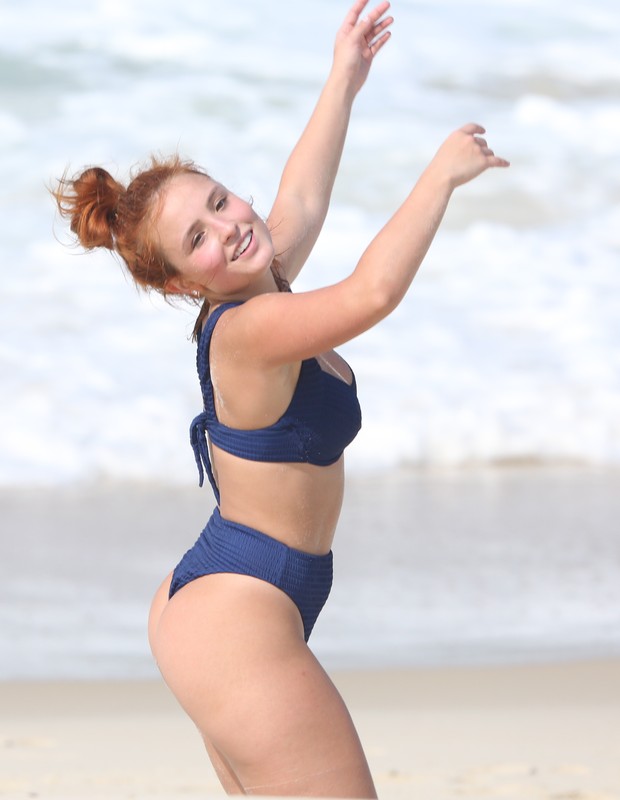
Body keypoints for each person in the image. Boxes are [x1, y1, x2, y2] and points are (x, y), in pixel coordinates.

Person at [52, 0, 509, 795]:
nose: (227, 228)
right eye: (197, 237)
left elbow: (298, 199)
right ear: (180, 283)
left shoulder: (261, 277)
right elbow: (369, 294)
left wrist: (345, 76)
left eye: (221, 201)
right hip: (234, 623)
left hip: (227, 605)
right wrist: (439, 176)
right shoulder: (245, 332)